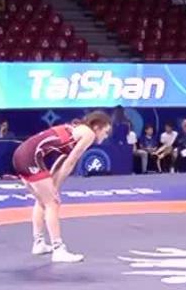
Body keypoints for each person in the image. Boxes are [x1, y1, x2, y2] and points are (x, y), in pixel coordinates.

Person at [12, 111, 113, 263]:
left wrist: (53, 184)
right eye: (105, 132)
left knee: (43, 201)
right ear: (97, 127)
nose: (106, 136)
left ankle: (38, 243)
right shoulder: (89, 134)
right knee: (52, 203)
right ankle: (58, 249)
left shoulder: (76, 128)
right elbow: (70, 162)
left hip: (22, 154)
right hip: (29, 157)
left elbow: (61, 159)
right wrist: (55, 189)